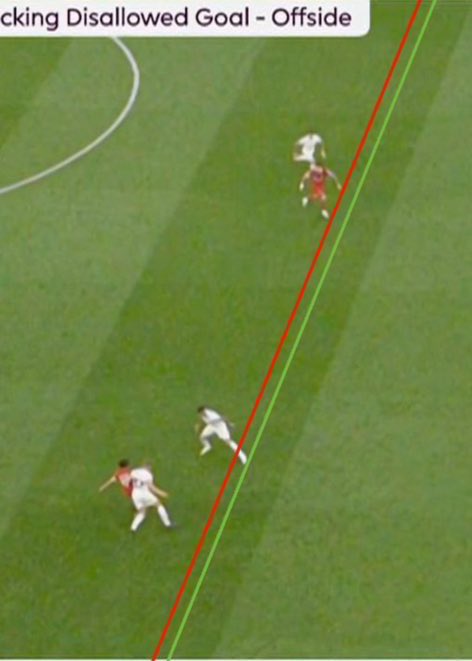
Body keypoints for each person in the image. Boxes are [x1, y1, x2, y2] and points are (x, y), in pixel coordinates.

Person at [129, 464, 173, 532]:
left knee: (142, 511)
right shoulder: (148, 475)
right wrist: (162, 493)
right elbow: (152, 488)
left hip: (135, 494)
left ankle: (133, 528)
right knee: (159, 504)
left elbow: (130, 481)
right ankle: (168, 524)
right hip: (144, 493)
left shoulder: (134, 471)